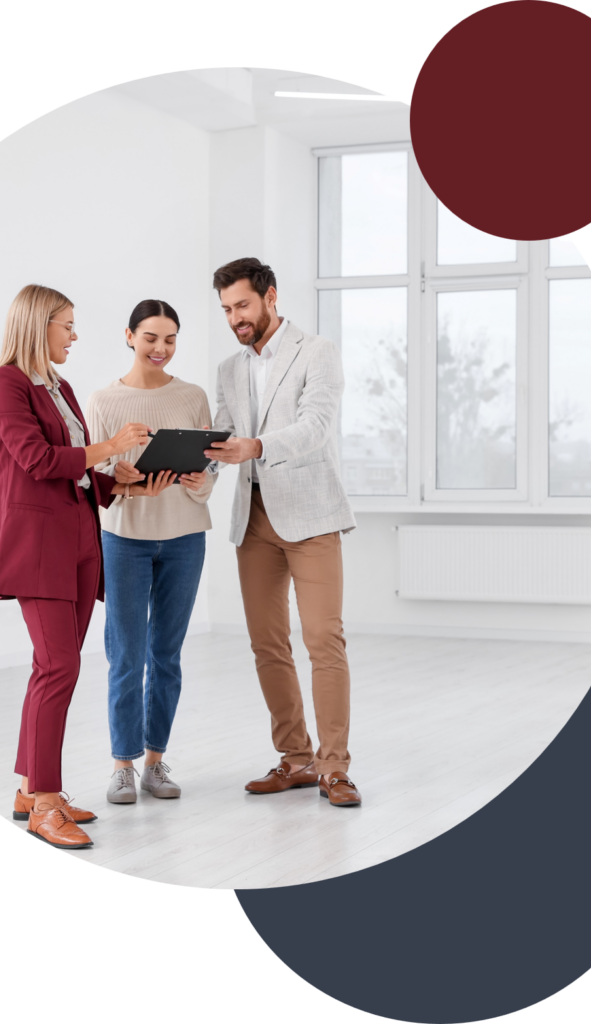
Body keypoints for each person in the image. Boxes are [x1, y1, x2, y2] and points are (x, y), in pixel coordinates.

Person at [0, 284, 175, 850]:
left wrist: (126, 482)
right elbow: (38, 460)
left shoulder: (59, 387)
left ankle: (29, 790)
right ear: (38, 326)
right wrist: (111, 442)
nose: (73, 335)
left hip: (77, 545)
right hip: (36, 547)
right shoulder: (5, 384)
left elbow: (80, 474)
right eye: (66, 325)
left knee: (52, 669)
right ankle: (45, 802)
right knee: (58, 667)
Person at [204, 258, 362, 806]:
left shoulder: (316, 352)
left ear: (271, 296)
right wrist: (191, 462)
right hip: (253, 519)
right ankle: (295, 758)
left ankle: (334, 767)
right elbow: (223, 435)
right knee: (268, 644)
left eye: (242, 305)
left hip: (311, 517)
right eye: (226, 309)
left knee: (323, 640)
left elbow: (315, 428)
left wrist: (257, 446)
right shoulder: (228, 368)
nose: (235, 318)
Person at [86, 299, 215, 805]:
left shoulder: (192, 396)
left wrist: (197, 479)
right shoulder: (102, 401)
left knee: (166, 653)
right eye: (151, 338)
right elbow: (94, 479)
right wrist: (122, 479)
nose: (161, 348)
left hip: (185, 535)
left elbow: (208, 473)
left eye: (170, 339)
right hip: (123, 538)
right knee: (126, 652)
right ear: (128, 336)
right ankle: (123, 764)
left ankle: (156, 761)